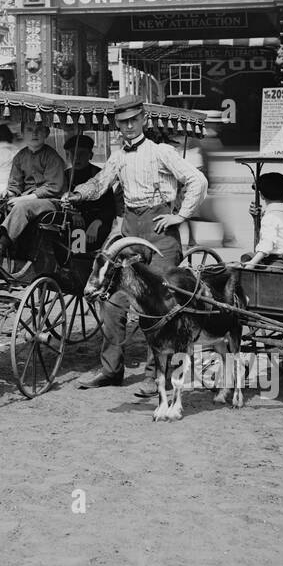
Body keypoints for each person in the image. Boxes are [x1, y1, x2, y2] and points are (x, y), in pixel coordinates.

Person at [64, 94, 207, 388]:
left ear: (144, 120)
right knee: (112, 300)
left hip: (160, 231)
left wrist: (180, 216)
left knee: (158, 302)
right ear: (117, 125)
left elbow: (197, 180)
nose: (128, 127)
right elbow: (99, 184)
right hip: (130, 231)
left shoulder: (161, 152)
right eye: (123, 123)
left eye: (133, 120)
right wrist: (76, 194)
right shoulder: (117, 158)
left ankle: (157, 375)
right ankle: (111, 370)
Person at [0, 122, 66, 272]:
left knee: (21, 206)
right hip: (25, 199)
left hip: (50, 202)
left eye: (39, 130)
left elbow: (52, 188)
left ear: (47, 133)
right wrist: (9, 193)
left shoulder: (52, 157)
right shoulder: (20, 157)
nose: (34, 134)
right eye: (29, 130)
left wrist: (23, 199)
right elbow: (15, 185)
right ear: (23, 134)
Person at [63, 133, 115, 251]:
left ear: (90, 155)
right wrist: (73, 214)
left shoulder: (100, 176)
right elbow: (60, 200)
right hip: (74, 222)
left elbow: (110, 207)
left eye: (82, 154)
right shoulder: (65, 176)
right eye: (73, 154)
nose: (77, 158)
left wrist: (98, 222)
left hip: (96, 221)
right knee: (76, 234)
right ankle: (77, 261)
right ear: (68, 156)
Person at [243, 171, 283, 268]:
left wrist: (252, 263)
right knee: (246, 257)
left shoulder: (270, 217)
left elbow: (267, 243)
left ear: (261, 195)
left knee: (249, 261)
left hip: (280, 258)